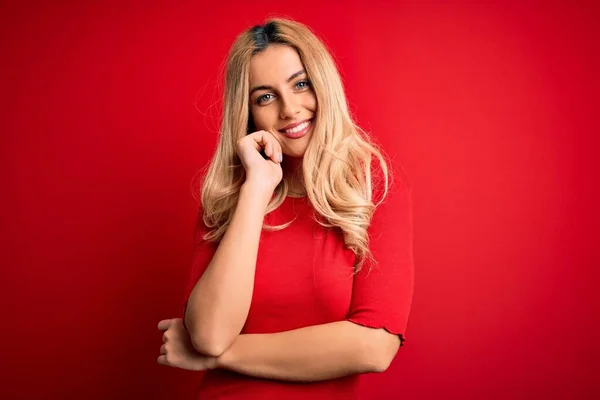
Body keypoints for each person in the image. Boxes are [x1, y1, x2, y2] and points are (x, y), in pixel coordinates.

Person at [156, 17, 414, 399]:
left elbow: (374, 348)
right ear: (248, 114)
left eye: (300, 84)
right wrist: (256, 188)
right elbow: (209, 333)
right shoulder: (229, 196)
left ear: (322, 83)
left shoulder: (373, 187)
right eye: (265, 96)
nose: (290, 109)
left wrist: (217, 357)